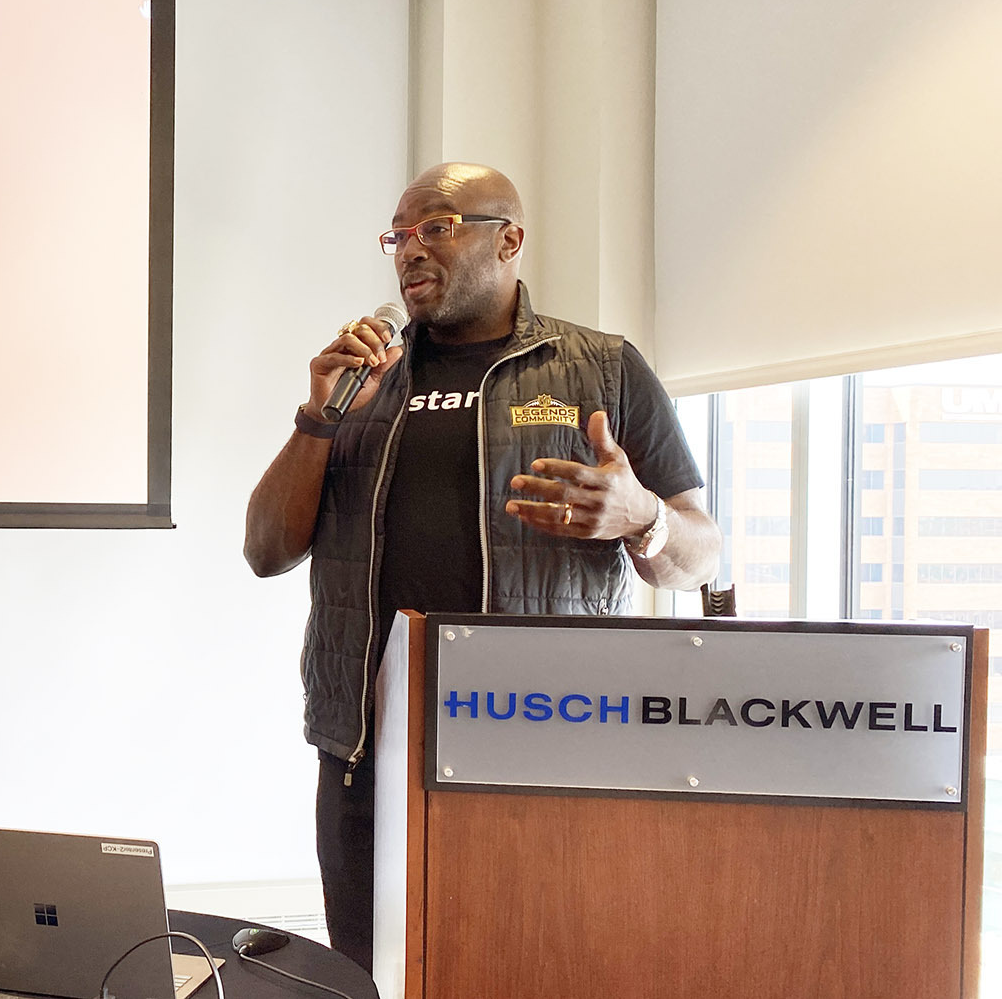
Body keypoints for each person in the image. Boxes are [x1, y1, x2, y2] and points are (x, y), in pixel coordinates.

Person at [243, 163, 721, 971]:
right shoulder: (367, 379)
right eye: (399, 235)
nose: (409, 251)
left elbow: (702, 554)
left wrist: (641, 516)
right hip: (368, 754)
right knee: (369, 977)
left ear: (509, 239)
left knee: (539, 970)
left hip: (546, 750)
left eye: (437, 225)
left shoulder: (601, 368)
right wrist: (320, 416)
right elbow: (265, 551)